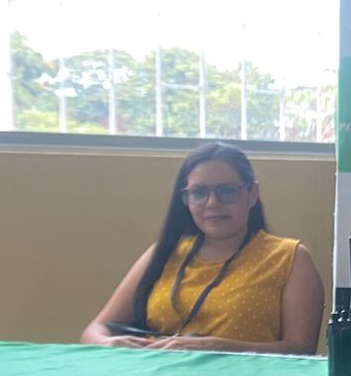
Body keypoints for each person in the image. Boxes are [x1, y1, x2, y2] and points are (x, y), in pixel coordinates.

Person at [83, 142, 325, 353]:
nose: (212, 203)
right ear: (186, 199)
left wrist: (218, 348)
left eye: (227, 191)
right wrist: (107, 343)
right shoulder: (166, 252)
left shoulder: (289, 258)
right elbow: (95, 329)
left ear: (252, 194)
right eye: (199, 193)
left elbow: (301, 350)